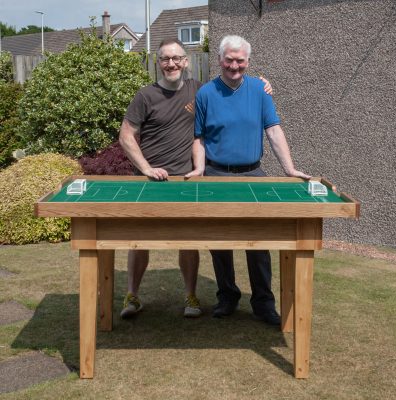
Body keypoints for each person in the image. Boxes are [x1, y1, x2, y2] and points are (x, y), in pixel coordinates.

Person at [119, 38, 273, 320]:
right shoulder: (145, 96)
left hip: (186, 179)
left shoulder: (199, 90)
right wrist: (144, 168)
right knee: (138, 240)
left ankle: (191, 296)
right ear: (158, 62)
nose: (171, 63)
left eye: (177, 58)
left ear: (186, 61)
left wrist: (261, 83)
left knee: (188, 240)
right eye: (165, 59)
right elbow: (126, 136)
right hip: (151, 180)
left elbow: (232, 83)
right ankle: (132, 295)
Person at [190, 35, 311, 326]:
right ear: (219, 60)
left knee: (259, 241)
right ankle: (227, 297)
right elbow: (200, 138)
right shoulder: (206, 94)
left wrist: (289, 169)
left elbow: (274, 131)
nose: (234, 65)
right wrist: (198, 168)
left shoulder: (260, 89)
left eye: (240, 60)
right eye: (229, 60)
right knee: (219, 241)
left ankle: (263, 303)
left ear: (247, 61)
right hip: (216, 175)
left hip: (253, 174)